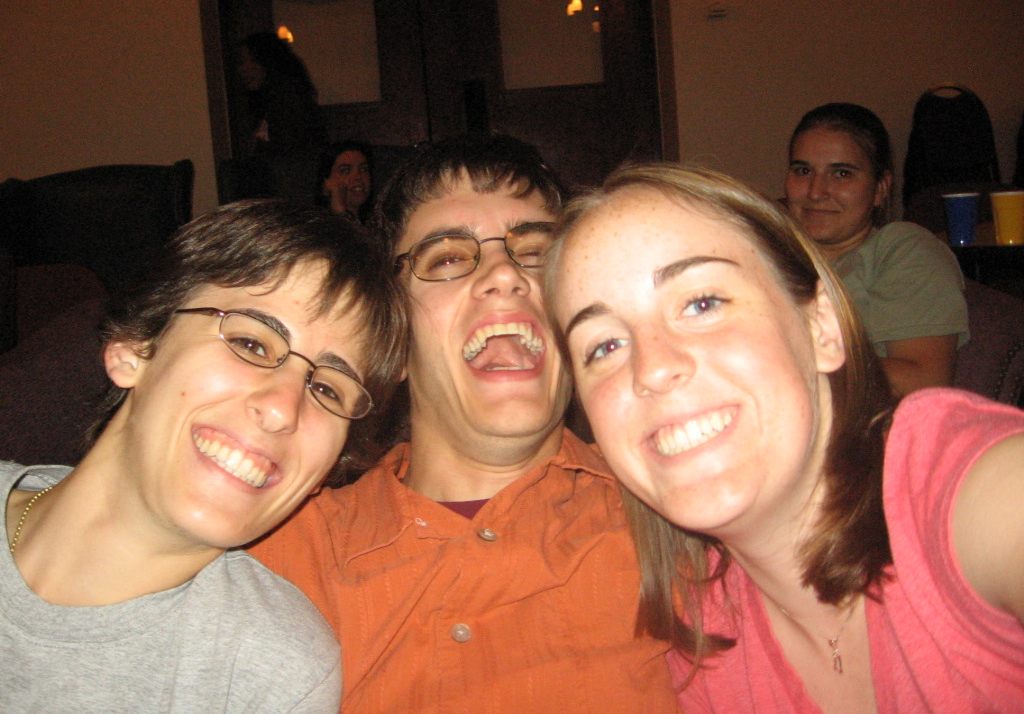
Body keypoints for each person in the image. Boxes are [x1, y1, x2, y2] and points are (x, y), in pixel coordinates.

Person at [546, 162, 1024, 713]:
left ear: (821, 328)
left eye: (702, 303)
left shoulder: (961, 490)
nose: (652, 369)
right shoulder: (693, 650)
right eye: (604, 346)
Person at [251, 133, 678, 714]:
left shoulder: (674, 516)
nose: (505, 274)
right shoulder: (280, 557)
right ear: (392, 341)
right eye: (447, 257)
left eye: (535, 252)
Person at [1, 200, 406, 712]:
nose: (283, 409)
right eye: (252, 344)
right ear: (136, 345)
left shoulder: (270, 679)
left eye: (327, 389)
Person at [784, 102, 968, 396]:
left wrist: (786, 365)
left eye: (841, 174)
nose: (816, 191)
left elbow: (924, 380)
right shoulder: (772, 254)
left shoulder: (901, 249)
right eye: (803, 170)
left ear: (881, 188)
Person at [238, 32, 328, 206]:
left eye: (251, 61)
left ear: (269, 62)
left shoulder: (291, 103)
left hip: (292, 197)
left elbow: (295, 165)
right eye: (241, 62)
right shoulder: (260, 105)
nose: (243, 69)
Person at [315, 140, 374, 221]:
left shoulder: (381, 223)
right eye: (345, 171)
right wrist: (339, 212)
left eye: (364, 169)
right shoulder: (313, 224)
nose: (358, 177)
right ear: (325, 183)